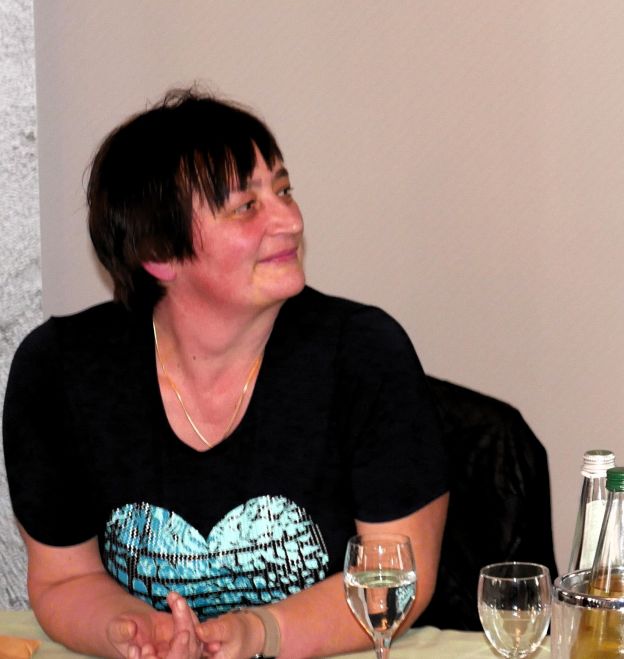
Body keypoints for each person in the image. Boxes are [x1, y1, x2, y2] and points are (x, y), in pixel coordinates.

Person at [3, 89, 450, 659]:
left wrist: (257, 633)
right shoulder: (59, 371)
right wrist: (138, 634)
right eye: (246, 207)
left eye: (283, 191)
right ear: (159, 253)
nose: (290, 221)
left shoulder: (364, 354)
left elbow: (394, 582)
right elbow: (64, 579)